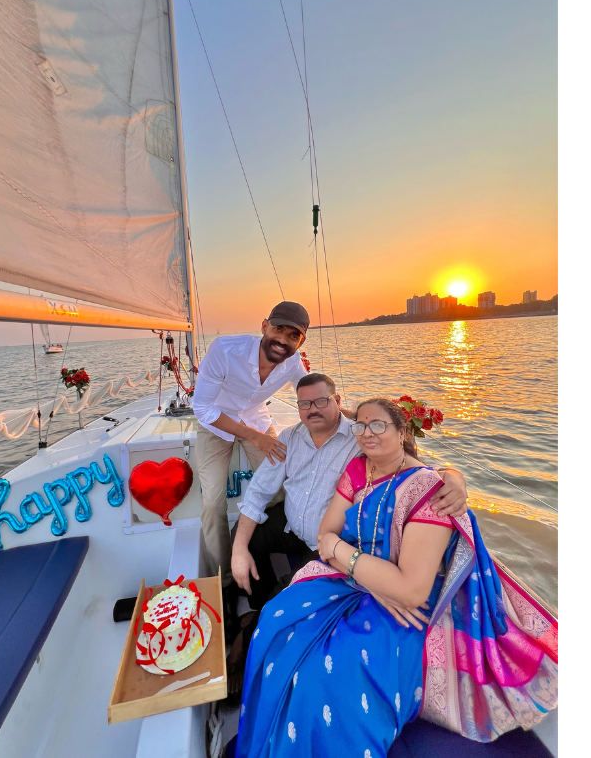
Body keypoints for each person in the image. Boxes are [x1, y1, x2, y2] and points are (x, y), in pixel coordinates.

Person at [235, 397, 558, 757]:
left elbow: (410, 589)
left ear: (402, 432)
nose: (366, 433)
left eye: (378, 425)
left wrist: (347, 555)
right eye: (360, 425)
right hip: (359, 582)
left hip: (412, 606)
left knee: (330, 672)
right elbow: (326, 534)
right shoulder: (359, 469)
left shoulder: (430, 491)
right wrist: (369, 575)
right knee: (277, 618)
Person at [231, 372, 470, 614]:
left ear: (337, 400)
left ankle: (268, 608)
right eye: (304, 404)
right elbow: (258, 492)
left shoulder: (359, 437)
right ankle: (254, 607)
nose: (312, 409)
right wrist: (239, 551)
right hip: (290, 525)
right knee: (243, 539)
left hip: (328, 540)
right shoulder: (289, 438)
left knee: (287, 599)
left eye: (321, 401)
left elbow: (400, 461)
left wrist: (450, 474)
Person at [192, 301, 311, 585]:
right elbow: (203, 409)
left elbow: (307, 390)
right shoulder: (224, 350)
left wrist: (341, 410)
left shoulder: (293, 361)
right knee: (212, 502)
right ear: (264, 326)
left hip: (257, 419)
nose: (282, 340)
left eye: (293, 336)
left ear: (301, 341)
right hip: (216, 423)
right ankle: (225, 579)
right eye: (277, 329)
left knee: (282, 491)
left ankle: (246, 546)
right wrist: (255, 437)